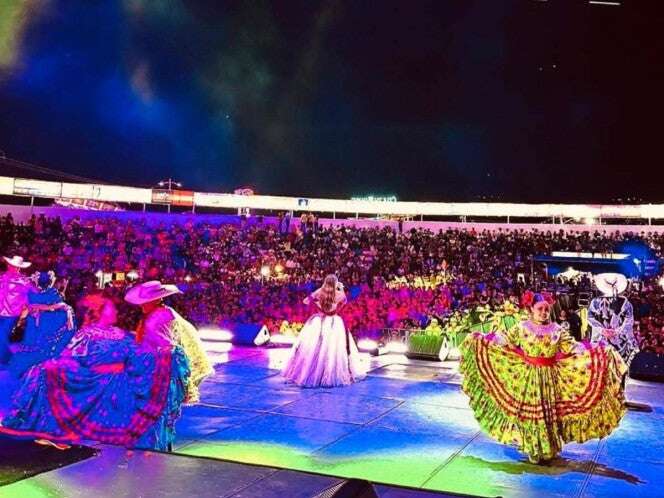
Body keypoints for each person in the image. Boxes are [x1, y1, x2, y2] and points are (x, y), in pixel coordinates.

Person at [0, 294, 190, 451]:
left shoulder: (120, 332)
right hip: (99, 380)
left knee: (148, 387)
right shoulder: (87, 333)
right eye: (111, 308)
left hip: (120, 378)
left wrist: (164, 353)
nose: (116, 311)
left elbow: (137, 354)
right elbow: (72, 359)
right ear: (99, 311)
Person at [460, 291, 626, 464]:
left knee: (548, 414)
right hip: (528, 375)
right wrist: (485, 338)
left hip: (550, 377)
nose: (543, 312)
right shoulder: (522, 327)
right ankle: (532, 447)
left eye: (546, 309)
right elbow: (504, 339)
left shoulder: (557, 330)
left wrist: (595, 349)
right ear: (531, 309)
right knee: (531, 414)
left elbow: (573, 347)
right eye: (540, 309)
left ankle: (547, 448)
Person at [125, 280, 213, 404]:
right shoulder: (159, 312)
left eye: (145, 302)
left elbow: (167, 344)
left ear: (156, 300)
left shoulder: (160, 316)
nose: (142, 305)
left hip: (160, 366)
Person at [282, 274, 366, 387]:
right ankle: (328, 375)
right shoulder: (339, 293)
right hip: (334, 322)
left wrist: (317, 304)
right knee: (332, 350)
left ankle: (313, 374)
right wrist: (340, 288)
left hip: (319, 320)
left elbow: (305, 301)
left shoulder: (319, 291)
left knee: (315, 349)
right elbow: (344, 301)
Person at [8, 271, 76, 378]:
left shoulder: (33, 295)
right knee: (42, 349)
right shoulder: (54, 295)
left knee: (32, 347)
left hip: (37, 327)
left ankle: (29, 371)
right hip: (46, 330)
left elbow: (29, 308)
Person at [588, 273, 639, 368]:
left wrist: (616, 332)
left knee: (620, 366)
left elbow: (628, 321)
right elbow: (590, 318)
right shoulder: (595, 302)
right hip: (602, 340)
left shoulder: (625, 303)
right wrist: (602, 330)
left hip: (620, 341)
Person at [0, 256, 34, 365]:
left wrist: (24, 313)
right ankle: (7, 357)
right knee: (2, 335)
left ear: (19, 268)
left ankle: (4, 360)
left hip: (11, 313)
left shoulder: (24, 282)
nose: (12, 267)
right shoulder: (2, 277)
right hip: (1, 310)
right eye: (11, 265)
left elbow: (32, 296)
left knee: (2, 334)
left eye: (15, 266)